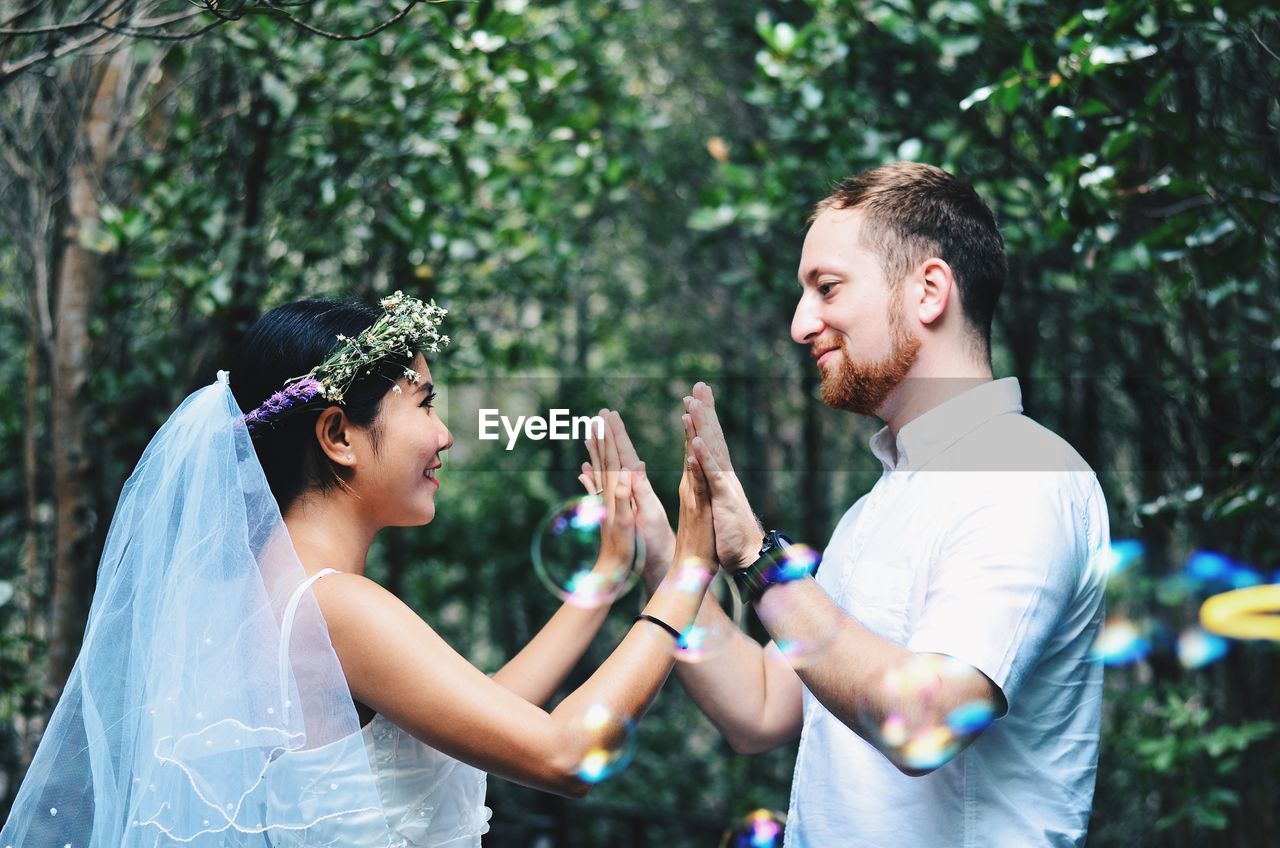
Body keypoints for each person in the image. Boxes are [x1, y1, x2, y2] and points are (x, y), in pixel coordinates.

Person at [0, 293, 720, 848]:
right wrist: (688, 567)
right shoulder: (335, 607)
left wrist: (609, 575)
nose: (443, 436)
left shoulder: (270, 596)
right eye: (425, 404)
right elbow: (564, 753)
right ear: (338, 434)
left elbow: (478, 721)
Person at [616, 163, 1110, 846]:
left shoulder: (1022, 477)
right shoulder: (877, 506)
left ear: (929, 291)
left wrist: (761, 563)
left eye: (827, 288)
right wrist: (667, 557)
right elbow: (761, 707)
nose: (800, 324)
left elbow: (928, 719)